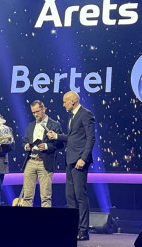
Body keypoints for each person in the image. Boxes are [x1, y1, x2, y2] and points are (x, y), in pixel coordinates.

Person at [47, 91, 95, 241]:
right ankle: (73, 227)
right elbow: (73, 137)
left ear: (73, 101)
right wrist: (57, 136)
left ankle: (83, 230)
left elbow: (90, 138)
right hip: (70, 160)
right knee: (70, 196)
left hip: (79, 161)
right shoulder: (72, 116)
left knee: (80, 196)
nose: (63, 104)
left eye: (65, 101)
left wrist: (83, 158)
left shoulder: (86, 114)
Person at [20, 100, 63, 207]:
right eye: (33, 112)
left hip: (45, 163)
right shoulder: (31, 125)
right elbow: (25, 141)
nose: (35, 114)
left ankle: (45, 217)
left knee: (46, 197)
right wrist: (26, 146)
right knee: (27, 196)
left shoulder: (54, 125)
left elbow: (60, 144)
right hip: (31, 161)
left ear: (44, 109)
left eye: (37, 111)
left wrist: (47, 146)